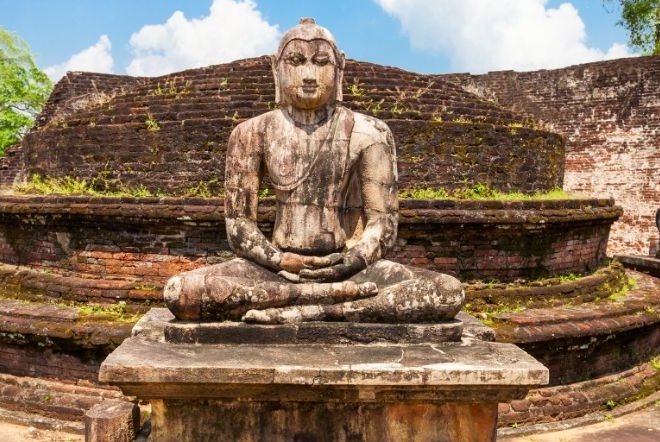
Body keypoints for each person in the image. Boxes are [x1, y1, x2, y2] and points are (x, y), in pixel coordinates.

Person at [164, 18, 463, 324]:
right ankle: (322, 303)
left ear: (340, 68)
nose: (308, 75)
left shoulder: (371, 132)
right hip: (275, 270)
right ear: (276, 68)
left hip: (347, 269)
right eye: (296, 61)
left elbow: (383, 226)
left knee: (445, 291)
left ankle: (321, 309)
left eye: (321, 62)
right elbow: (239, 226)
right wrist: (279, 259)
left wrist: (348, 262)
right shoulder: (251, 132)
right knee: (180, 292)